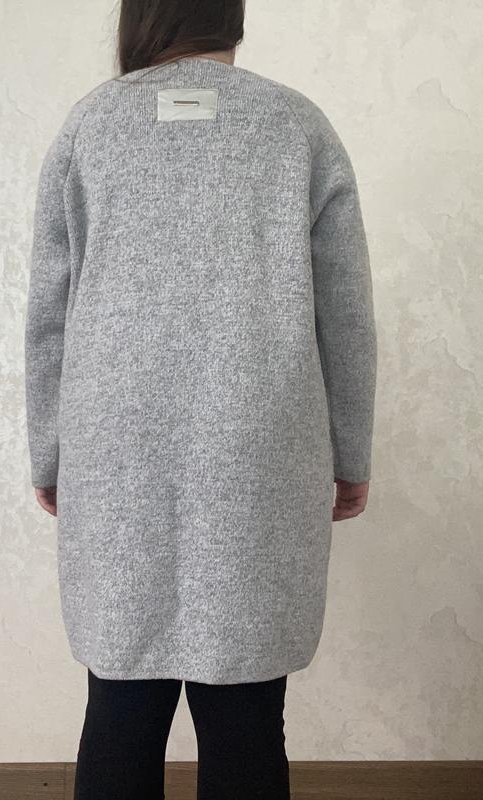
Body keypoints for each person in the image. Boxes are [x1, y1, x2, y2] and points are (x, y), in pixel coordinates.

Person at [24, 0, 378, 797]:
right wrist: (351, 450)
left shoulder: (90, 128)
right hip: (259, 449)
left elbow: (50, 314)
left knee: (120, 702)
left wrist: (49, 452)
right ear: (233, 14)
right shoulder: (297, 127)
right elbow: (346, 314)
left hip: (114, 450)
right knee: (246, 711)